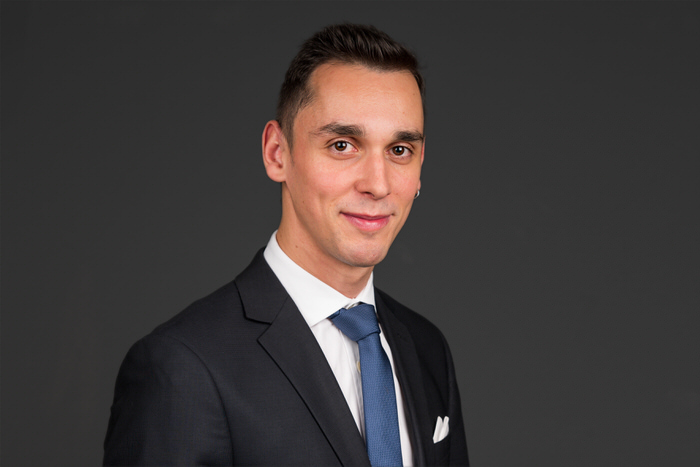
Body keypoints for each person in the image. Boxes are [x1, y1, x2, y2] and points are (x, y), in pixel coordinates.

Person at [104, 23, 469, 466]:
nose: (378, 184)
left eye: (399, 150)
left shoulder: (427, 348)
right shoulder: (183, 367)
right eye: (342, 145)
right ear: (277, 152)